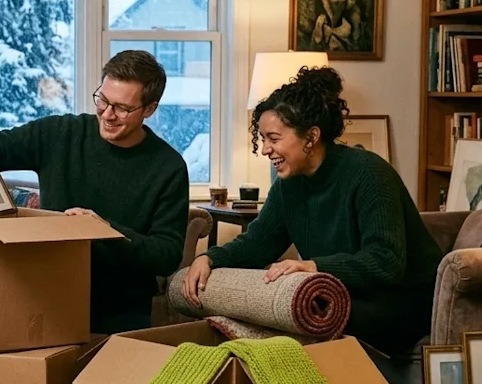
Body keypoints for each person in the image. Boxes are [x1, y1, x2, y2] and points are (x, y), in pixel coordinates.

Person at [180, 66, 442, 356]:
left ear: (311, 137)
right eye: (263, 138)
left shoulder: (368, 173)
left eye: (274, 138)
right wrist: (209, 258)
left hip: (402, 302)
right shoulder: (288, 184)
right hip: (341, 294)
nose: (265, 149)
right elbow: (258, 244)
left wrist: (314, 266)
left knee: (302, 321)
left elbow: (386, 261)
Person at [0, 50, 189, 334]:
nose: (108, 114)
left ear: (149, 109)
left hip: (120, 310)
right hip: (46, 297)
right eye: (102, 100)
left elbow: (166, 255)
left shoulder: (169, 167)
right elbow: (0, 142)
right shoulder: (61, 133)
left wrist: (105, 232)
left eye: (122, 108)